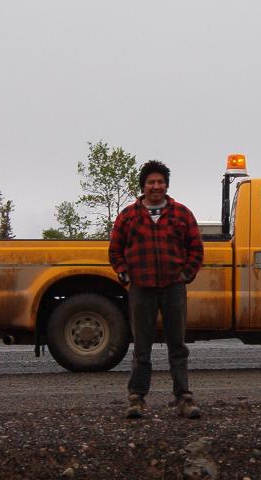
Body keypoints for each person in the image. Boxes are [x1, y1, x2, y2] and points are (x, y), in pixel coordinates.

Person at [109, 160, 204, 419]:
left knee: (177, 345)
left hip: (173, 287)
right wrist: (124, 272)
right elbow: (115, 249)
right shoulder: (128, 216)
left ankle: (183, 398)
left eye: (160, 182)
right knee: (142, 347)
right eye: (151, 182)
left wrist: (186, 274)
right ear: (143, 186)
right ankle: (136, 399)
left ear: (166, 185)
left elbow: (196, 248)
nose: (156, 186)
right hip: (141, 289)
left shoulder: (182, 214)